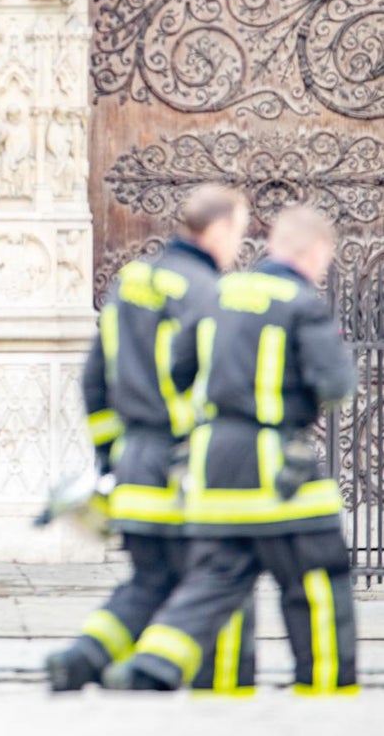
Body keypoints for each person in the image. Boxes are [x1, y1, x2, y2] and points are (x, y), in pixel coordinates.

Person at [103, 205, 358, 694]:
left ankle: (163, 665)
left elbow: (178, 369)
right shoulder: (300, 302)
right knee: (317, 577)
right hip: (274, 460)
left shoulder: (219, 293)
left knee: (217, 580)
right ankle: (325, 689)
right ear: (316, 251)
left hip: (212, 464)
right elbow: (337, 384)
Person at [46, 185, 254, 692]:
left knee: (150, 579)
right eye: (240, 233)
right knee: (219, 577)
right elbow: (210, 380)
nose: (238, 245)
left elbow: (95, 380)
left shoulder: (132, 280)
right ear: (220, 229)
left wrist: (110, 455)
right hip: (186, 467)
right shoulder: (208, 291)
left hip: (135, 463)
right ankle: (210, 683)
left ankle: (82, 656)